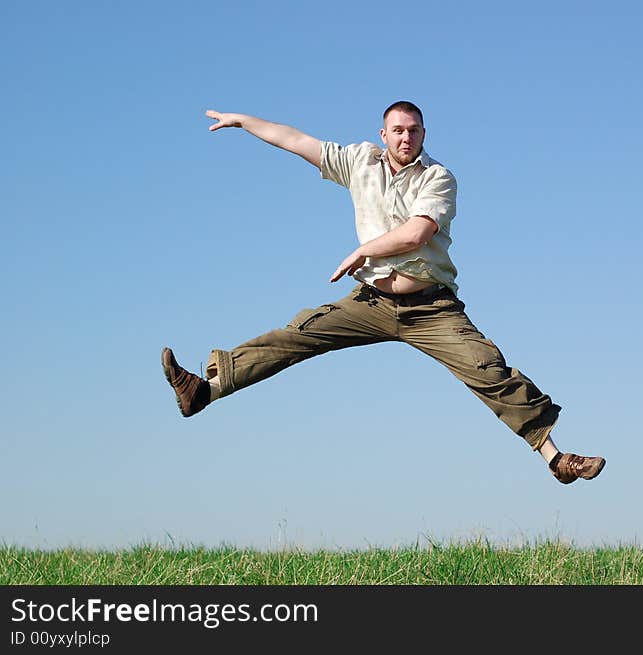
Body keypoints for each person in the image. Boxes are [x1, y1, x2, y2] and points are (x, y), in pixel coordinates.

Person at [161, 100, 605, 485]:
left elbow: (416, 234)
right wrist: (243, 121)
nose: (405, 137)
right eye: (398, 130)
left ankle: (557, 459)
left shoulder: (438, 177)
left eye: (413, 130)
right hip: (370, 302)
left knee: (485, 366)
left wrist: (363, 251)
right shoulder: (359, 162)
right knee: (298, 333)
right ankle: (205, 390)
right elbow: (296, 141)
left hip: (430, 307)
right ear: (384, 134)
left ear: (423, 134)